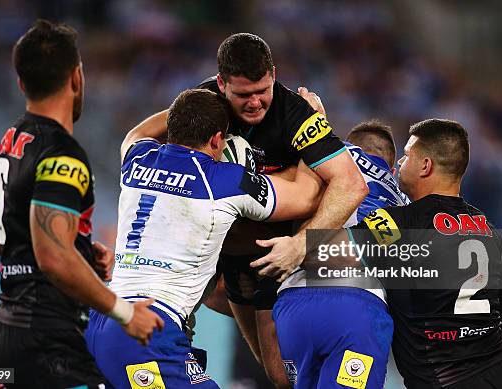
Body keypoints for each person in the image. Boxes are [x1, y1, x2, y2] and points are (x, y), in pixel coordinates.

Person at [123, 32, 368, 387]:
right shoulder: (203, 104)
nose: (255, 103)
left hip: (271, 257)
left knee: (281, 376)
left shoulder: (297, 114)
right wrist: (179, 110)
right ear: (222, 84)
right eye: (242, 95)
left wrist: (300, 244)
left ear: (273, 74)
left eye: (262, 90)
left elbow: (351, 184)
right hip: (215, 254)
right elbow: (137, 136)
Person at [85, 88, 327, 389]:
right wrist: (315, 124)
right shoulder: (225, 179)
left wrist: (202, 102)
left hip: (103, 319)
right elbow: (308, 196)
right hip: (147, 328)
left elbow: (138, 132)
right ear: (216, 140)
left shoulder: (138, 157)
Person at [0, 20, 164, 388]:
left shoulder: (11, 140)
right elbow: (51, 256)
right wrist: (125, 313)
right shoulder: (63, 154)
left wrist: (76, 248)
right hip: (47, 348)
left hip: (0, 341)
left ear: (21, 83)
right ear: (76, 77)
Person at [342, 119, 502, 388]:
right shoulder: (487, 227)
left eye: (407, 155)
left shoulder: (399, 224)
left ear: (425, 166)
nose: (400, 164)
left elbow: (328, 249)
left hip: (446, 379)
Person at [273, 120, 410, 389]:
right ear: (392, 169)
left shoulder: (326, 159)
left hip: (293, 304)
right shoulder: (403, 200)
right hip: (355, 307)